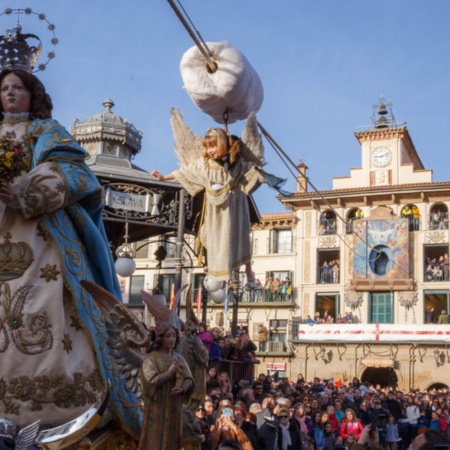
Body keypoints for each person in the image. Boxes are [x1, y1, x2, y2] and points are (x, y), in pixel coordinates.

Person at [0, 68, 141, 430]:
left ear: (33, 95)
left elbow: (77, 174)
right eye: (4, 88)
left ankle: (50, 404)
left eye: (18, 88)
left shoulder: (45, 132)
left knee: (42, 300)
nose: (11, 94)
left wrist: (24, 193)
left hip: (37, 233)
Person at [152, 127, 284, 284]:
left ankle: (249, 273)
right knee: (214, 239)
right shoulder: (205, 165)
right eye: (207, 147)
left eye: (213, 146)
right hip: (215, 213)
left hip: (234, 208)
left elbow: (252, 173)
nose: (210, 151)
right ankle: (218, 277)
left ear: (222, 144)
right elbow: (185, 171)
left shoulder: (236, 163)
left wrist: (268, 179)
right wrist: (164, 177)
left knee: (240, 237)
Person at [139, 322, 194, 449]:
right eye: (168, 336)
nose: (172, 339)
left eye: (174, 336)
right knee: (155, 439)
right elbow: (150, 382)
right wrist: (169, 374)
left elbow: (189, 378)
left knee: (173, 438)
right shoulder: (151, 359)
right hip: (157, 408)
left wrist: (183, 388)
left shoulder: (178, 358)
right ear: (160, 338)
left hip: (174, 407)